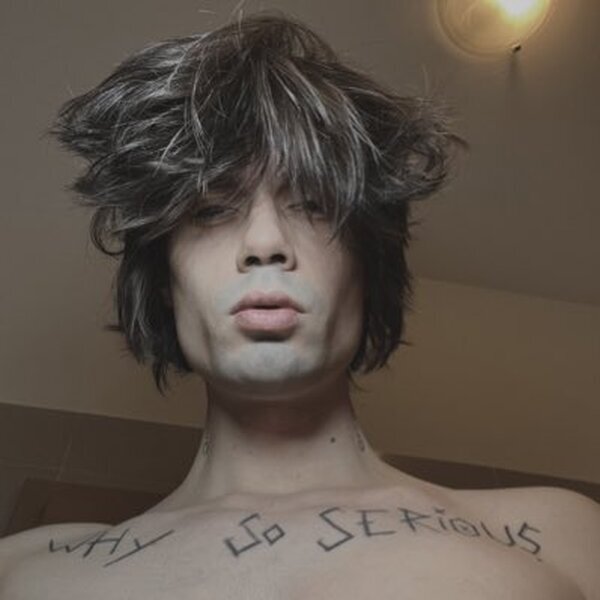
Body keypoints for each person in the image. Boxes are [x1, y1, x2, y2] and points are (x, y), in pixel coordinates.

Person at [1, 11, 598, 600]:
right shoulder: (24, 571)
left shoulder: (562, 538)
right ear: (164, 282)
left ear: (366, 270)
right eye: (211, 209)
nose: (265, 243)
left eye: (313, 203)